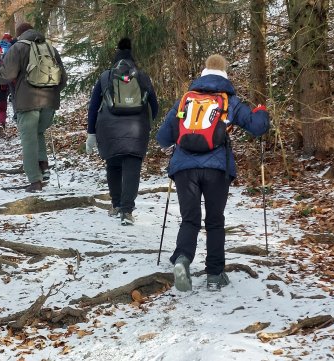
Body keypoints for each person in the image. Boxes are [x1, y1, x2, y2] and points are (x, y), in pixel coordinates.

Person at [156, 54, 270, 291]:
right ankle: (215, 275)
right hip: (216, 168)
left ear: (203, 72)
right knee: (215, 220)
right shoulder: (228, 101)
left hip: (184, 168)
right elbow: (258, 127)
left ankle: (182, 260)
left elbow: (163, 138)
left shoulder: (186, 99)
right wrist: (261, 111)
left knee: (190, 218)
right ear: (225, 74)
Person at [85, 37, 158, 225]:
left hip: (109, 129)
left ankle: (116, 205)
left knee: (114, 166)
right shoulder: (142, 77)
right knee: (132, 168)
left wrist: (91, 132)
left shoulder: (105, 76)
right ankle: (127, 211)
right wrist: (148, 121)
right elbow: (154, 105)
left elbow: (93, 107)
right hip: (137, 129)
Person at [0, 23, 67, 192]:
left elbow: (8, 74)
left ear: (19, 35)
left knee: (29, 139)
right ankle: (43, 166)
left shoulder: (17, 48)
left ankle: (35, 181)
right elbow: (63, 79)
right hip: (50, 101)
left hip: (27, 102)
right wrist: (50, 92)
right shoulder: (50, 48)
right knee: (39, 132)